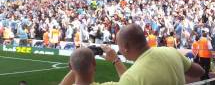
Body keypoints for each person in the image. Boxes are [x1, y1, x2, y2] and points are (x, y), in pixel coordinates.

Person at [61, 24, 205, 85]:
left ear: (126, 47)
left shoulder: (131, 77)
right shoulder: (172, 52)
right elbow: (200, 71)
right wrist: (174, 70)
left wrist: (78, 63)